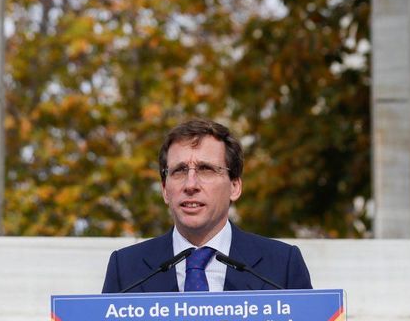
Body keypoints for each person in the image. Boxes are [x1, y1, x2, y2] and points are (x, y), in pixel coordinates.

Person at [102, 118, 312, 293]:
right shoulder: (127, 269)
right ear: (165, 189)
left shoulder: (281, 265)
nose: (190, 185)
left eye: (206, 169)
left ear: (234, 186)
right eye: (179, 171)